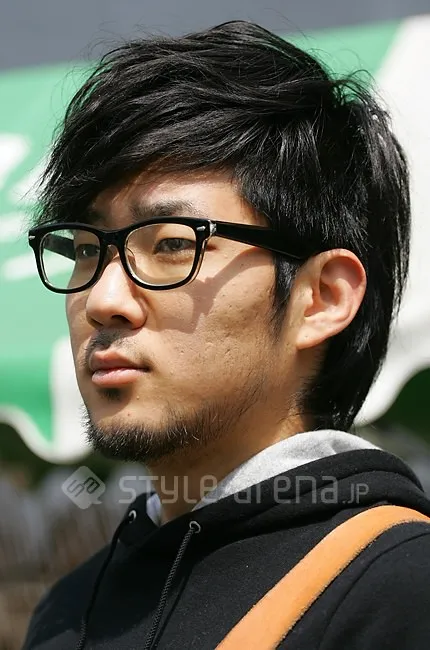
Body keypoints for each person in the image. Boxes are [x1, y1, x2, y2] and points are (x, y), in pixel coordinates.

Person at [23, 20, 430, 650]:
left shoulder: (398, 590)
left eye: (171, 244)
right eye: (83, 249)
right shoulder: (66, 611)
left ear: (322, 298)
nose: (102, 300)